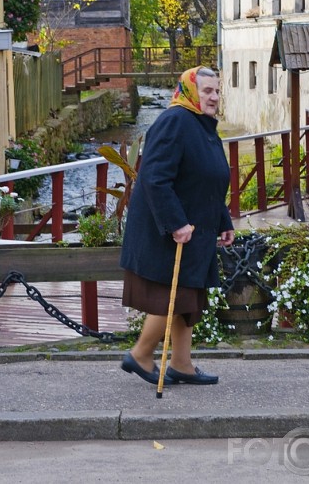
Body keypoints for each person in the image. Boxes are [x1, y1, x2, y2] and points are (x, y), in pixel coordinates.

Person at [120, 66, 235, 386]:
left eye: (216, 91)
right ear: (189, 91)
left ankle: (181, 364)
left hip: (194, 228)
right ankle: (141, 354)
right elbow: (155, 178)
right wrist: (176, 223)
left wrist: (223, 221)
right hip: (169, 230)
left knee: (190, 298)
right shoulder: (175, 121)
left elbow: (207, 181)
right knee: (176, 296)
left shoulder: (203, 126)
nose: (213, 97)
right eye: (207, 91)